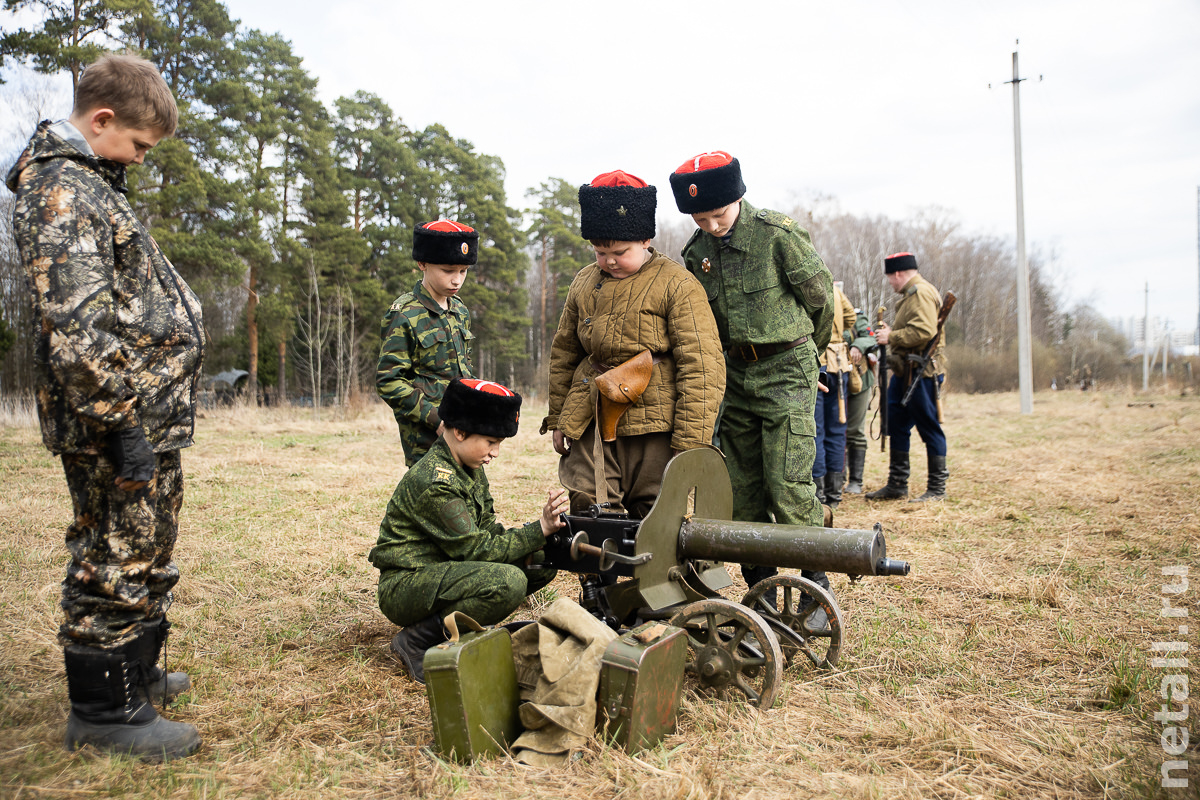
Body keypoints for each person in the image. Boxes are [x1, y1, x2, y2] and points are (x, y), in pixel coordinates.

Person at [6, 54, 204, 760]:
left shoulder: (96, 183)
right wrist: (120, 424)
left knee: (148, 545)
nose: (142, 160)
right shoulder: (62, 192)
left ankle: (138, 673)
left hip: (143, 410)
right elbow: (77, 327)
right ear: (101, 120)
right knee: (113, 554)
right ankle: (105, 712)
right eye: (139, 145)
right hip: (109, 419)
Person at [669, 151, 835, 626]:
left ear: (738, 198)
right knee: (741, 492)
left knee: (788, 485)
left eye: (719, 214)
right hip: (735, 379)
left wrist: (810, 361)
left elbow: (820, 301)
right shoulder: (697, 252)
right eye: (702, 217)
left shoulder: (777, 236)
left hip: (786, 369)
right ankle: (763, 591)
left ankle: (814, 588)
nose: (713, 224)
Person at [541, 170, 724, 518]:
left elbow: (702, 368)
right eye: (599, 251)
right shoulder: (583, 281)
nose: (609, 260)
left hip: (654, 423)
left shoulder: (678, 285)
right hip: (591, 410)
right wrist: (559, 418)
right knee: (588, 503)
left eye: (620, 251)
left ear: (644, 241)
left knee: (655, 511)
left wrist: (688, 445)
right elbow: (565, 351)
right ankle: (598, 572)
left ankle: (652, 574)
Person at [369, 378, 569, 684]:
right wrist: (537, 530)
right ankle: (417, 641)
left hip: (444, 569)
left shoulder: (469, 466)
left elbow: (486, 527)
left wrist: (539, 541)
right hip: (407, 583)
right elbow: (476, 550)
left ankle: (453, 625)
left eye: (499, 443)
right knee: (509, 582)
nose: (496, 452)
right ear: (460, 432)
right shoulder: (436, 481)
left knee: (542, 561)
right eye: (491, 442)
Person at [376, 220, 477, 466]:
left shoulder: (459, 310)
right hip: (425, 436)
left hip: (462, 427)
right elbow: (389, 381)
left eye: (463, 271)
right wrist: (435, 419)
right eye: (448, 270)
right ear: (422, 264)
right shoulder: (405, 313)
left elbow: (464, 369)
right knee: (433, 497)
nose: (457, 280)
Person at [866, 252, 948, 502]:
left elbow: (923, 331)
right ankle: (897, 483)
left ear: (898, 273)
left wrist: (891, 337)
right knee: (897, 423)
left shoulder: (920, 293)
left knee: (928, 425)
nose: (890, 282)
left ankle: (937, 488)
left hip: (921, 372)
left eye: (890, 277)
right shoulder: (911, 295)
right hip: (905, 371)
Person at [813, 282, 856, 509]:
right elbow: (850, 318)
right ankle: (835, 493)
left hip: (818, 362)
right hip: (839, 364)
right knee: (837, 431)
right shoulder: (835, 290)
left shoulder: (807, 285)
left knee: (816, 431)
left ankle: (819, 494)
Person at [843, 307, 878, 494]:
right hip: (834, 379)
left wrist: (857, 346)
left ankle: (855, 481)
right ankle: (836, 477)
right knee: (835, 430)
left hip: (859, 379)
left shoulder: (855, 316)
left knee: (854, 430)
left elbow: (870, 337)